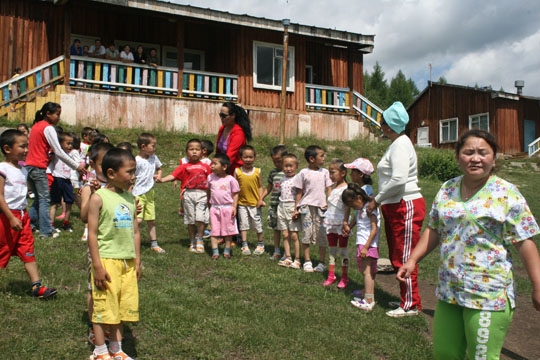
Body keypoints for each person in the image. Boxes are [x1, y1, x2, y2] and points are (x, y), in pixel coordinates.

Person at [399, 129, 540, 358]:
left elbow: (525, 242)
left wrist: (537, 285)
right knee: (445, 354)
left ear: (494, 158)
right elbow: (434, 229)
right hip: (450, 291)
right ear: (458, 157)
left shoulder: (506, 193)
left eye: (483, 152)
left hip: (488, 295)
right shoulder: (447, 189)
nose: (475, 158)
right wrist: (413, 260)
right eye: (468, 152)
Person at [365, 101, 425, 318]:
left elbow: (399, 179)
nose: (381, 125)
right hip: (395, 204)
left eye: (383, 122)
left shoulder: (400, 144)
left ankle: (410, 304)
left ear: (389, 125)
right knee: (398, 254)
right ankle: (407, 298)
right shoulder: (398, 143)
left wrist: (377, 200)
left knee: (405, 255)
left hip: (404, 204)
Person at [87, 148, 141, 360]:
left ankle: (116, 349)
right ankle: (100, 351)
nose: (133, 176)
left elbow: (135, 231)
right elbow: (91, 234)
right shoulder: (98, 198)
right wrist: (98, 266)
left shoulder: (130, 197)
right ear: (111, 173)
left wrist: (137, 260)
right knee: (103, 307)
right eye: (129, 172)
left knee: (121, 307)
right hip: (107, 260)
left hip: (127, 261)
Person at [0, 129, 57, 299]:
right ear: (7, 149)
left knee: (27, 249)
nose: (26, 150)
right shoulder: (2, 168)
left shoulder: (23, 169)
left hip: (23, 217)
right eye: (22, 146)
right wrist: (10, 217)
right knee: (3, 249)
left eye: (27, 146)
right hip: (7, 217)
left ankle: (36, 286)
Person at [25, 102, 85, 238]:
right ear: (48, 114)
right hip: (39, 167)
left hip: (29, 167)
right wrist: (76, 166)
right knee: (45, 200)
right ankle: (46, 231)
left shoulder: (36, 126)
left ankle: (30, 225)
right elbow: (59, 151)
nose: (58, 117)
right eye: (57, 114)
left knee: (39, 199)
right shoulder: (48, 128)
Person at [79, 142, 114, 343]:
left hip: (116, 247)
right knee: (95, 287)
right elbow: (84, 217)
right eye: (103, 164)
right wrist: (92, 194)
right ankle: (96, 327)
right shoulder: (88, 187)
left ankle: (109, 323)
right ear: (92, 164)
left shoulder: (118, 188)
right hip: (98, 246)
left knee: (111, 285)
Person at [157, 139, 211, 254]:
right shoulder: (184, 166)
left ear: (202, 152)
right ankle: (192, 242)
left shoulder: (206, 167)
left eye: (197, 149)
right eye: (191, 149)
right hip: (188, 194)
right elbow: (173, 175)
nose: (194, 152)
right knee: (191, 220)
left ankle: (200, 240)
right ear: (187, 152)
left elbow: (212, 180)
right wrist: (162, 180)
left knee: (201, 219)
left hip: (202, 194)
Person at [293, 145, 332, 273]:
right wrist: (296, 208)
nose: (324, 158)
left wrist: (330, 204)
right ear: (312, 159)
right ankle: (308, 260)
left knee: (322, 234)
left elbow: (329, 189)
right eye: (321, 155)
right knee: (306, 234)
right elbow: (299, 192)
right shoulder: (303, 173)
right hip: (306, 207)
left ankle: (321, 262)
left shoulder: (325, 172)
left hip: (322, 208)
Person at [342, 183, 380, 312]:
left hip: (367, 245)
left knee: (367, 272)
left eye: (352, 204)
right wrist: (349, 227)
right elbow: (356, 219)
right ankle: (367, 295)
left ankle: (369, 300)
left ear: (359, 198)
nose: (352, 207)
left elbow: (374, 229)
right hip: (363, 243)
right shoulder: (361, 208)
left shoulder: (369, 209)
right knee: (365, 271)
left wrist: (366, 247)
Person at [133, 133, 165, 254]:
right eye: (153, 146)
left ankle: (154, 244)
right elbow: (131, 175)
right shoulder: (136, 161)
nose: (154, 148)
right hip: (138, 193)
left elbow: (160, 168)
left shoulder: (153, 157)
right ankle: (130, 240)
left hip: (149, 193)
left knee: (151, 220)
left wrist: (159, 176)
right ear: (143, 146)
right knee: (139, 220)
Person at [322, 159, 349, 288]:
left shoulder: (347, 189)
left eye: (333, 172)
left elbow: (348, 207)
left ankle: (344, 277)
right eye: (329, 172)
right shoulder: (333, 188)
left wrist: (345, 222)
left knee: (343, 251)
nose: (330, 175)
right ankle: (331, 274)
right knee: (332, 249)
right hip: (330, 222)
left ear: (343, 173)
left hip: (341, 224)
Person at [207, 153, 240, 260]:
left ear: (224, 167)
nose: (211, 166)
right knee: (214, 230)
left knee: (228, 231)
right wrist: (209, 203)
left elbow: (235, 194)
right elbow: (208, 191)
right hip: (215, 208)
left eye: (215, 164)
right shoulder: (210, 177)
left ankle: (226, 250)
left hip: (227, 208)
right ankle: (215, 252)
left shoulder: (231, 179)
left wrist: (234, 207)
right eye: (211, 163)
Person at [234, 145, 265, 256]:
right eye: (245, 157)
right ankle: (244, 244)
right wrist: (234, 203)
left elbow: (260, 186)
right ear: (241, 158)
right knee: (243, 224)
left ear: (254, 158)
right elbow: (235, 188)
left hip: (255, 204)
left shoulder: (257, 171)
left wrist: (260, 199)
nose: (248, 159)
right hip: (242, 203)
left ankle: (260, 244)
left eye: (250, 157)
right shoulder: (237, 171)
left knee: (258, 224)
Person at [261, 145, 287, 260]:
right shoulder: (273, 173)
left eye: (279, 161)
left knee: (287, 230)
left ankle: (287, 252)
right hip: (275, 205)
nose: (277, 164)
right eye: (274, 161)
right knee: (276, 229)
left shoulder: (290, 173)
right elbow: (269, 187)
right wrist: (261, 198)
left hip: (286, 206)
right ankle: (276, 251)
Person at [276, 153, 301, 269]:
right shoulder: (282, 179)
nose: (288, 168)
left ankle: (297, 259)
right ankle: (288, 256)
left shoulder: (298, 179)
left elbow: (299, 195)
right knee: (285, 234)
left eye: (291, 166)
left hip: (292, 207)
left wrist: (296, 209)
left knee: (294, 235)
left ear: (296, 166)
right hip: (281, 206)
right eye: (286, 166)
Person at [48, 132, 75, 232]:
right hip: (57, 179)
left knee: (69, 202)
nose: (70, 146)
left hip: (67, 180)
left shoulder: (70, 155)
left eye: (71, 143)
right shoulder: (56, 154)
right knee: (55, 203)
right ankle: (51, 224)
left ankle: (66, 223)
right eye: (68, 143)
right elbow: (47, 160)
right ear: (60, 144)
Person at [216, 102, 253, 175]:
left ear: (233, 116)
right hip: (222, 168)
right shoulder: (222, 129)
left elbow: (230, 157)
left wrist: (215, 169)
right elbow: (218, 153)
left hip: (234, 171)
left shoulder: (239, 133)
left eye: (224, 116)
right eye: (220, 115)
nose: (221, 118)